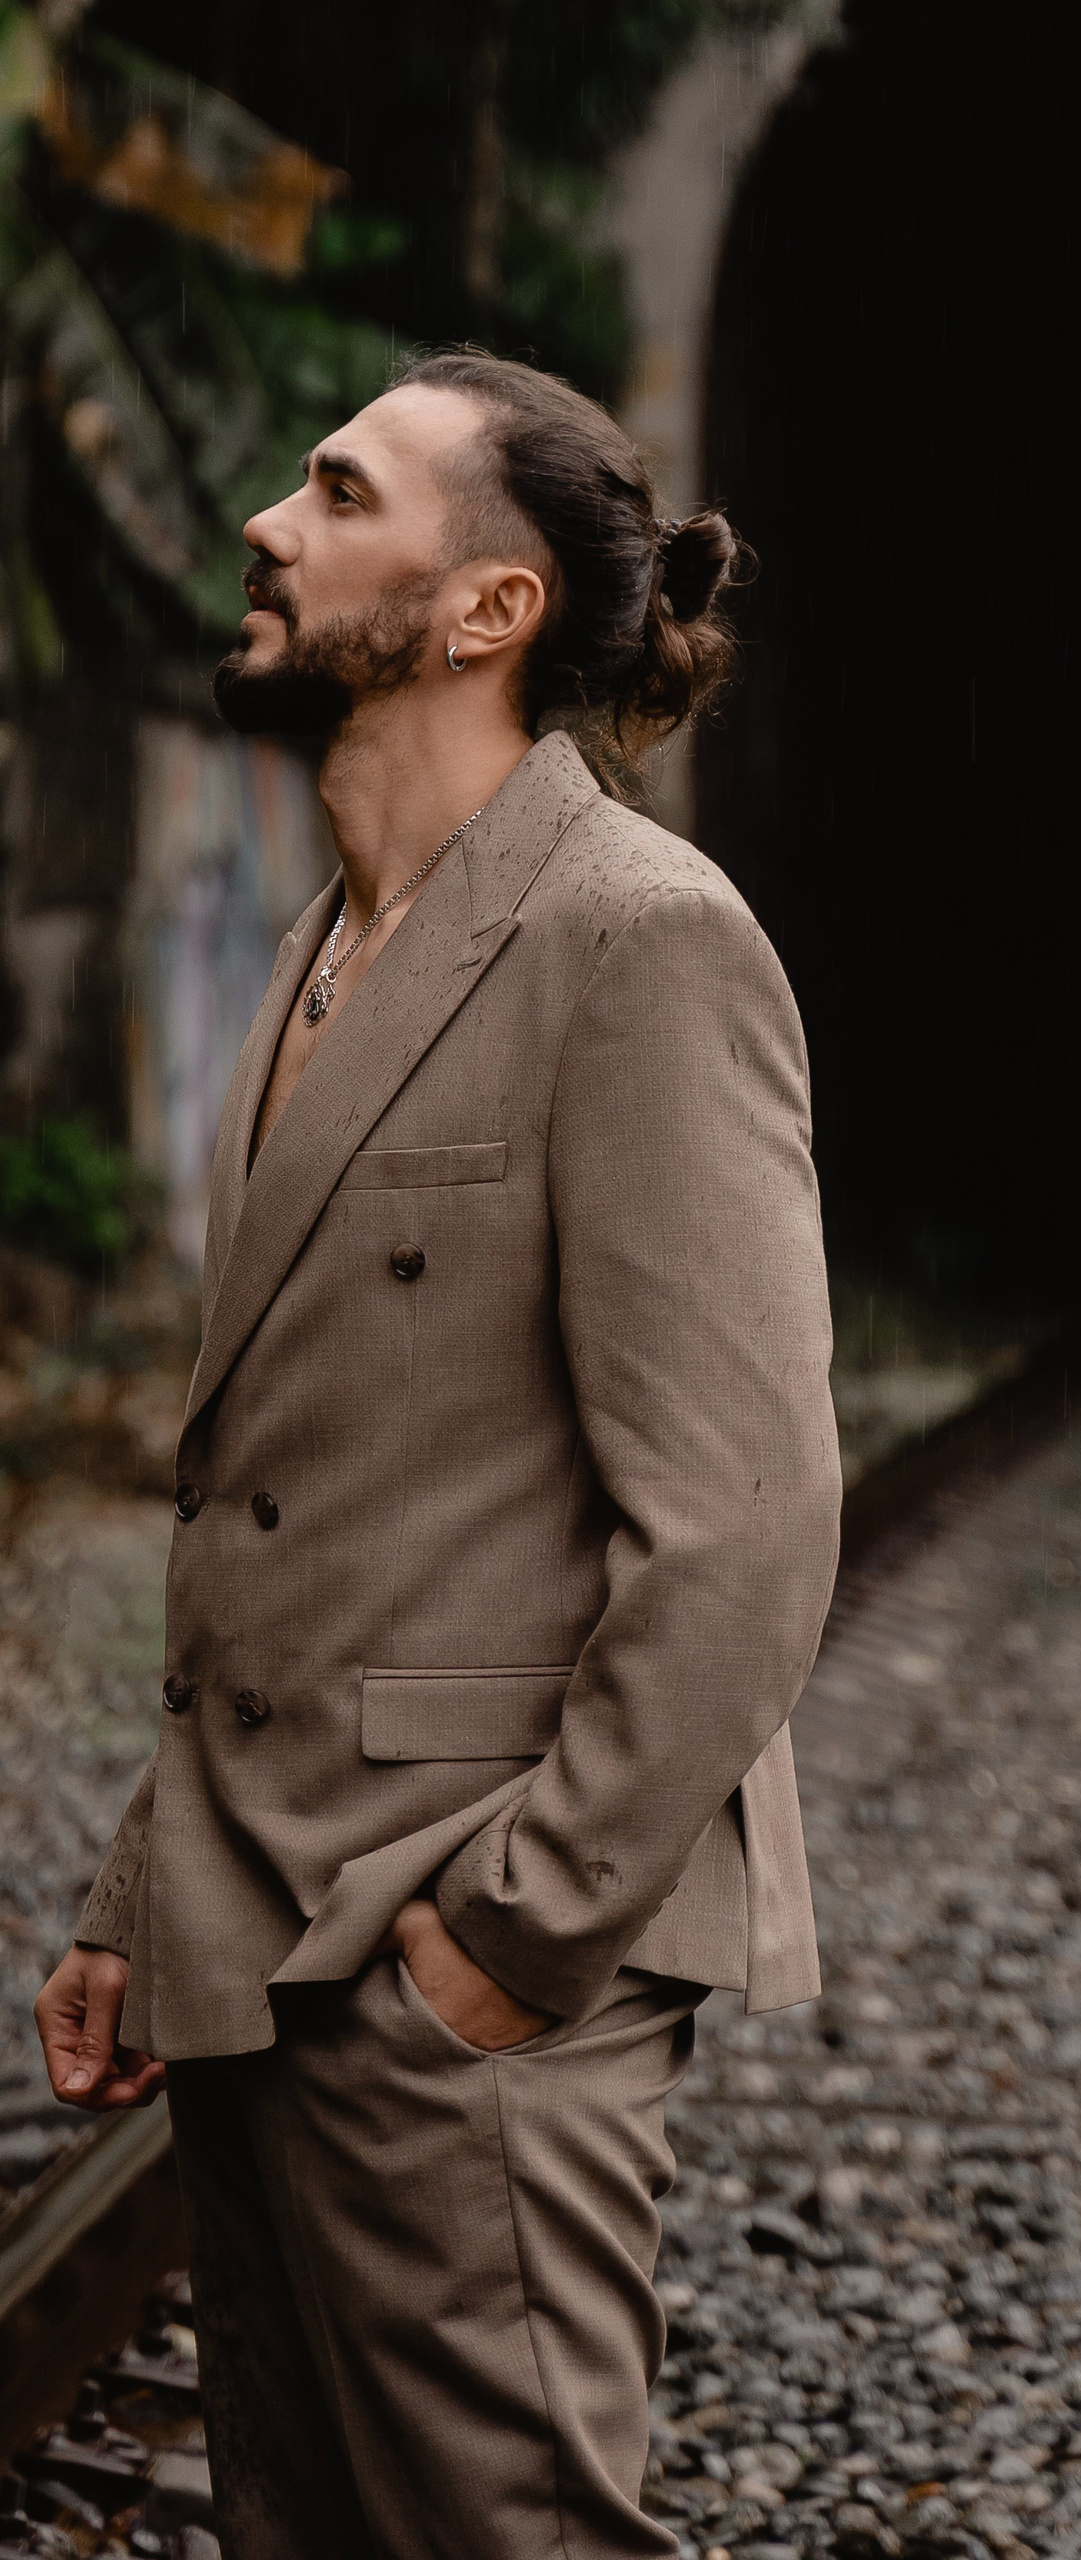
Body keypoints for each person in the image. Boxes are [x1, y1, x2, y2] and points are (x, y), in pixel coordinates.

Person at [31, 351, 842, 2559]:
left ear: (488, 606)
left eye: (338, 492)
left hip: (465, 1967)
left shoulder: (638, 938)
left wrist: (509, 1942)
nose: (267, 524)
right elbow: (292, 1490)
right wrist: (142, 1893)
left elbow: (747, 1524)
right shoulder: (320, 957)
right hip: (260, 1928)